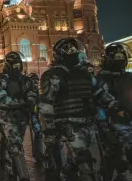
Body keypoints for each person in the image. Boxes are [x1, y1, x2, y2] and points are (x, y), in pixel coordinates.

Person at [38, 37, 118, 181]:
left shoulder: (85, 73)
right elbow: (46, 105)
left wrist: (113, 104)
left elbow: (98, 92)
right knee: (85, 162)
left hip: (88, 123)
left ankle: (67, 173)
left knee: (82, 160)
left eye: (75, 50)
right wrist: (49, 130)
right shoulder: (54, 75)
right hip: (68, 125)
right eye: (70, 50)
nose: (74, 53)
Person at [96, 42, 132, 180]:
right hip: (112, 125)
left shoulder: (129, 77)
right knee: (115, 158)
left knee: (128, 156)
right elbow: (100, 101)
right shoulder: (101, 79)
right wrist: (105, 121)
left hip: (131, 123)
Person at [0, 51, 37, 181]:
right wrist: (22, 103)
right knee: (15, 145)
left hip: (22, 118)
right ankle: (24, 176)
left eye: (19, 64)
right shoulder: (1, 80)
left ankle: (12, 168)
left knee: (16, 144)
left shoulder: (25, 79)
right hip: (7, 118)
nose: (17, 67)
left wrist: (31, 101)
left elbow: (32, 93)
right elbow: (2, 99)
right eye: (15, 65)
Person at [29, 72, 43, 163]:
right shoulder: (29, 92)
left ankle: (38, 152)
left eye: (37, 81)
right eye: (34, 81)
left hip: (39, 115)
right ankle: (37, 153)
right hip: (33, 115)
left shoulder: (39, 91)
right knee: (38, 133)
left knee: (40, 134)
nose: (36, 83)